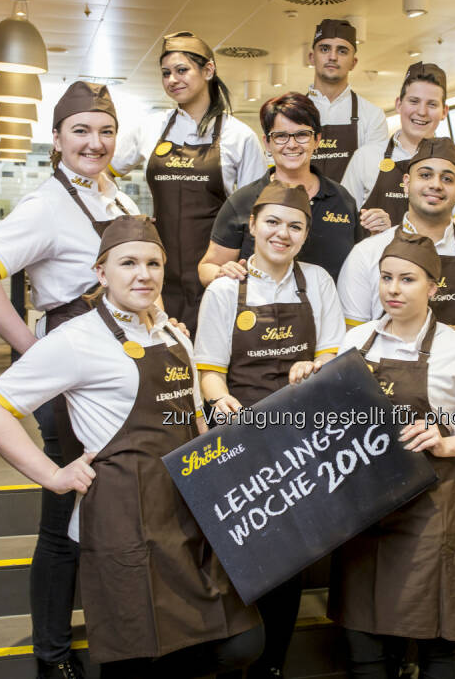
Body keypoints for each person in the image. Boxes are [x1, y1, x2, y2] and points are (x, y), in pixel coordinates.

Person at [0, 216, 262, 678]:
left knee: (239, 643)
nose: (143, 274)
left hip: (187, 513)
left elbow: (189, 419)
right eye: (128, 263)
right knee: (140, 654)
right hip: (124, 521)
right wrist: (54, 476)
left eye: (153, 263)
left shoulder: (172, 335)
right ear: (102, 273)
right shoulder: (76, 339)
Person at [0, 81, 137, 679]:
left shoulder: (117, 196)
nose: (95, 142)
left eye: (105, 130)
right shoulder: (47, 204)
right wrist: (33, 350)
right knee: (64, 514)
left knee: (109, 507)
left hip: (117, 370)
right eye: (80, 130)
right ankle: (52, 657)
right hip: (71, 372)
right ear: (56, 139)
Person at [329, 229, 455, 678]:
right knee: (363, 639)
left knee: (439, 639)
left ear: (433, 287)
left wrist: (447, 442)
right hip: (364, 516)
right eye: (386, 278)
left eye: (407, 280)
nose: (393, 289)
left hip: (429, 516)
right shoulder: (355, 343)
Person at [194, 181, 346, 679]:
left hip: (300, 435)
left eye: (295, 226)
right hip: (241, 438)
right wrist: (221, 402)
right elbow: (209, 370)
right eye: (273, 223)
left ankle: (273, 666)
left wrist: (314, 368)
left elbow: (331, 352)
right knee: (240, 551)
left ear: (306, 234)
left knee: (291, 555)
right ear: (253, 226)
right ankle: (231, 658)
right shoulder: (224, 288)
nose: (283, 234)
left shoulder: (318, 282)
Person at [337, 137, 455, 541]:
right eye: (425, 174)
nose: (435, 184)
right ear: (405, 183)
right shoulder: (365, 255)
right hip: (376, 443)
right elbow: (352, 348)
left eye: (447, 178)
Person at [110, 30, 267, 335]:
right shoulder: (151, 127)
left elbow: (257, 213)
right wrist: (126, 217)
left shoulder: (239, 135)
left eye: (182, 70)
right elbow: (103, 169)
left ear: (208, 70)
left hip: (217, 268)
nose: (172, 80)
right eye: (166, 73)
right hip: (155, 268)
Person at [199, 92, 361, 287]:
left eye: (302, 135)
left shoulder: (341, 199)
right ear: (267, 142)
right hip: (259, 314)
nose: (292, 145)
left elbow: (359, 266)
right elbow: (207, 266)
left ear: (317, 140)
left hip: (327, 314)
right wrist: (221, 272)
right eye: (281, 136)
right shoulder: (243, 200)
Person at [340, 62, 455, 235]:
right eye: (414, 101)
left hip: (435, 261)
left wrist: (403, 233)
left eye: (432, 104)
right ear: (399, 104)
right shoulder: (366, 156)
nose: (422, 112)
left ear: (444, 111)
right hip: (375, 260)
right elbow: (342, 217)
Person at [307, 18, 388, 181]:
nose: (332, 57)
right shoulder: (291, 114)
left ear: (353, 62)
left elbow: (373, 177)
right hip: (300, 205)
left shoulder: (372, 116)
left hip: (352, 206)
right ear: (311, 57)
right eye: (324, 49)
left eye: (342, 51)